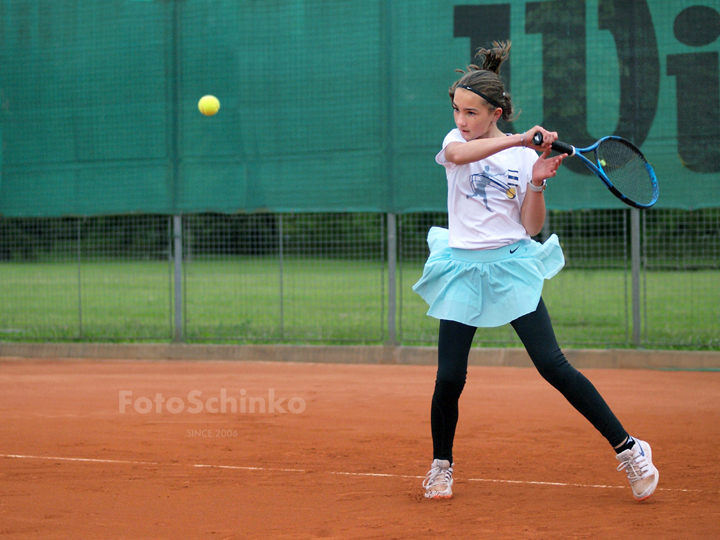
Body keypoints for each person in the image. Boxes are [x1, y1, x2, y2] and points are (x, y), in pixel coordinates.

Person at [412, 41, 659, 502]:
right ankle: (441, 466)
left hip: (509, 266)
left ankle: (629, 450)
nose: (460, 121)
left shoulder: (525, 158)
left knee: (552, 365)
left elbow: (530, 225)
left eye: (470, 113)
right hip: (462, 268)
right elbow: (465, 156)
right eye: (457, 110)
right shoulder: (455, 144)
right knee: (450, 378)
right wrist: (521, 138)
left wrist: (538, 180)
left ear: (496, 112)